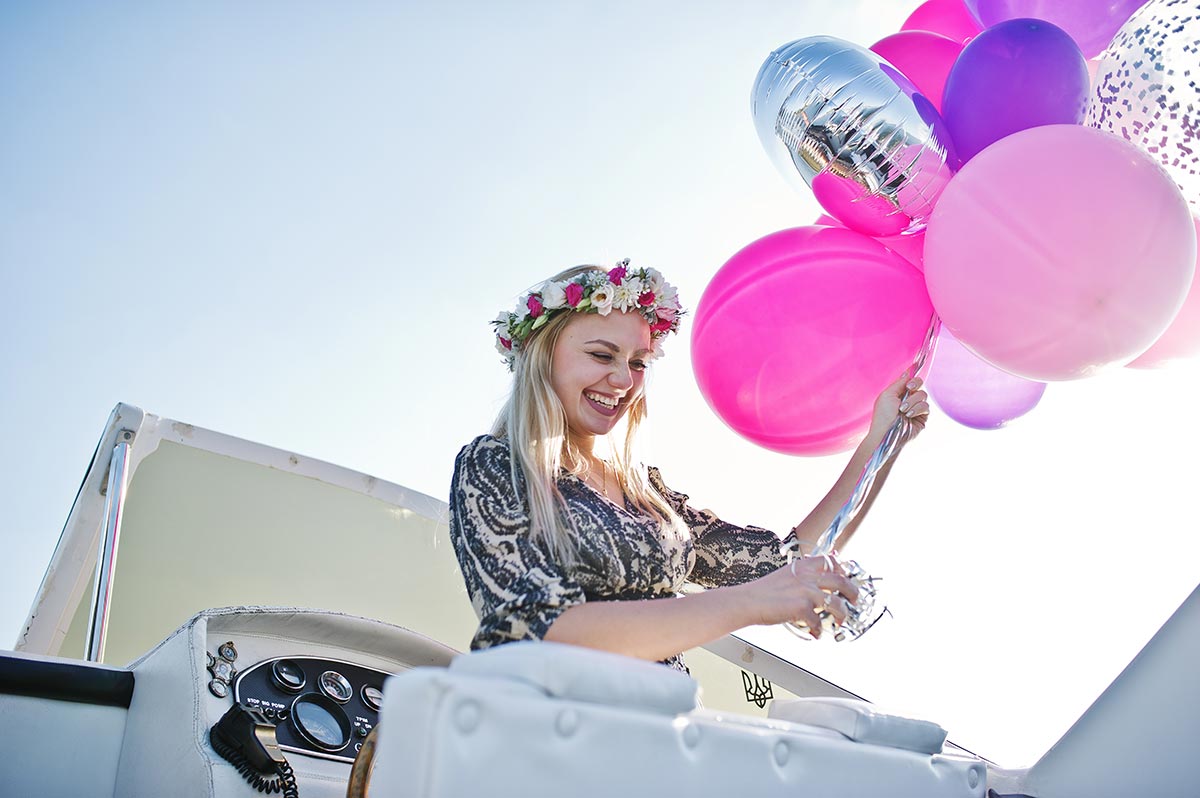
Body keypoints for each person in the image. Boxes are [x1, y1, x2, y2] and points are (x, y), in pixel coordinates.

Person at [449, 261, 928, 672]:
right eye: (601, 355)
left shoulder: (644, 492)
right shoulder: (495, 465)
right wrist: (750, 604)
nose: (622, 380)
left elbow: (779, 563)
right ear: (540, 356)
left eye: (638, 362)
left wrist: (881, 441)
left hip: (665, 734)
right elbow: (536, 630)